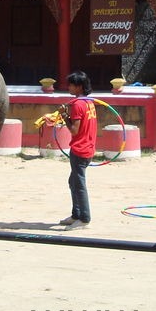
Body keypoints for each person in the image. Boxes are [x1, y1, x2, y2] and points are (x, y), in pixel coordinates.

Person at [58, 70, 97, 231]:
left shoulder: (78, 104)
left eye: (71, 85)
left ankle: (84, 218)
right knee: (73, 181)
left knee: (79, 183)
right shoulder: (89, 102)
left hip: (80, 149)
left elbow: (74, 130)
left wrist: (64, 116)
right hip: (88, 147)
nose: (69, 87)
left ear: (79, 87)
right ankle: (76, 214)